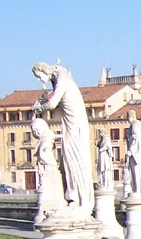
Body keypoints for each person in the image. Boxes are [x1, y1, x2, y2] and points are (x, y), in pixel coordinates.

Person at [31, 62, 94, 213]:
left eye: (38, 76)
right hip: (69, 123)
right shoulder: (57, 79)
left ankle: (80, 200)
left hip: (75, 124)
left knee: (75, 160)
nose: (39, 80)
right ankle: (74, 198)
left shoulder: (62, 77)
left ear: (44, 70)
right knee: (68, 160)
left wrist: (39, 108)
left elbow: (53, 104)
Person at [31, 117, 66, 208]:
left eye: (34, 131)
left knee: (48, 179)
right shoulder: (46, 137)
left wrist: (43, 150)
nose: (34, 133)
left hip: (48, 162)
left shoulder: (47, 136)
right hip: (46, 162)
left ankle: (50, 204)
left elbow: (46, 147)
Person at [126, 109, 141, 196]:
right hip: (135, 153)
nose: (127, 120)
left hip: (136, 154)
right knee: (134, 172)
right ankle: (136, 189)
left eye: (127, 117)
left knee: (137, 172)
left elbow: (136, 140)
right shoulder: (134, 125)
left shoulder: (135, 125)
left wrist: (130, 151)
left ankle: (138, 190)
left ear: (131, 117)